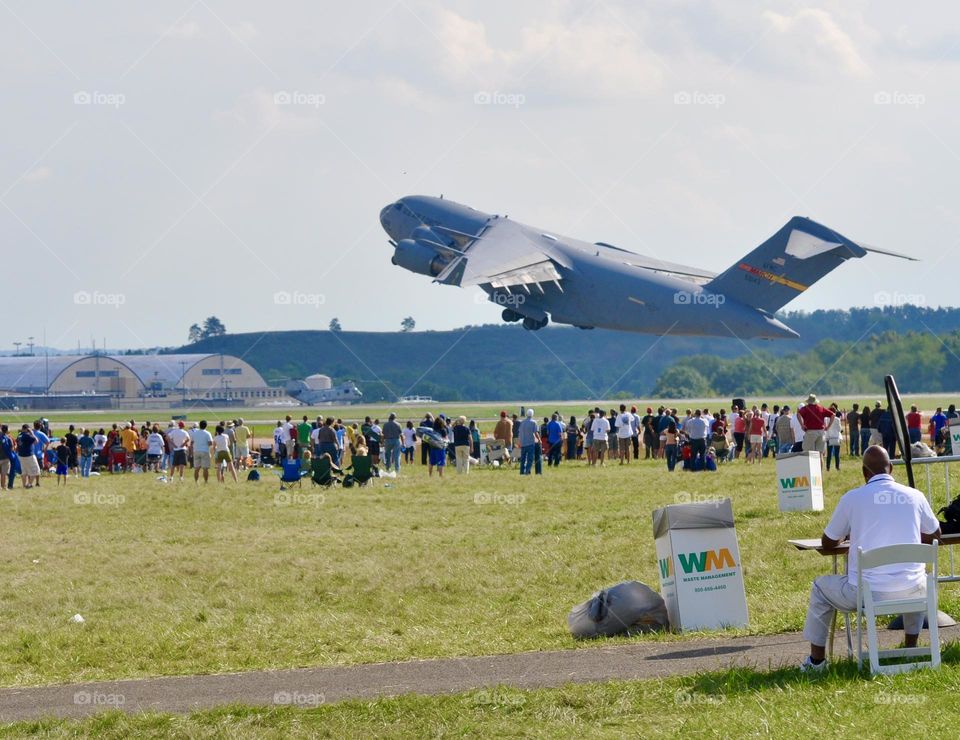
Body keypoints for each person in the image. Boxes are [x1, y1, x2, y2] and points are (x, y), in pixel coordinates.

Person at [800, 446, 941, 671]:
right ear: (891, 468)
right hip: (913, 589)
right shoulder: (915, 496)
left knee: (819, 587)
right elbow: (935, 534)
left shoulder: (852, 498)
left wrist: (850, 536)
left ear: (864, 473)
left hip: (867, 594)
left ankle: (816, 662)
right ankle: (910, 649)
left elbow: (828, 542)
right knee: (915, 579)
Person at [798, 394, 834, 464]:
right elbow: (833, 415)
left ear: (808, 401)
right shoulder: (821, 408)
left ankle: (811, 471)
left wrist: (802, 425)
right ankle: (819, 473)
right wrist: (828, 426)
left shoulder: (805, 408)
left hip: (810, 432)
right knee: (820, 454)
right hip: (821, 432)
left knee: (808, 452)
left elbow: (798, 414)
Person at [518, 409, 540, 475]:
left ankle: (522, 472)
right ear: (532, 414)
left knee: (523, 459)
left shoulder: (522, 422)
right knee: (530, 459)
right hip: (530, 443)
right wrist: (539, 439)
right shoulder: (534, 422)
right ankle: (527, 472)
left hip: (523, 443)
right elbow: (536, 432)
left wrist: (519, 441)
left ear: (527, 414)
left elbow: (520, 433)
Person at [825, 405, 842, 471]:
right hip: (836, 437)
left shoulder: (826, 419)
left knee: (829, 454)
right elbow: (839, 429)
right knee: (837, 454)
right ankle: (837, 467)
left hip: (829, 437)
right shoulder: (837, 419)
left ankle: (828, 467)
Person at [0, 425, 13, 490]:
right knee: (4, 474)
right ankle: (3, 486)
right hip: (6, 458)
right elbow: (12, 447)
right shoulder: (8, 438)